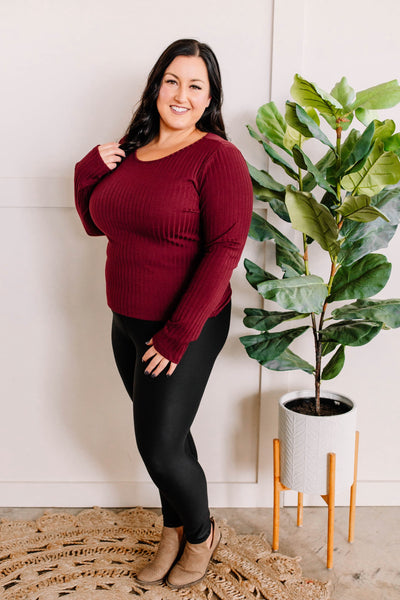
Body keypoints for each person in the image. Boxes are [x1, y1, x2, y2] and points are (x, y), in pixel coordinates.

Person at [74, 38, 253, 590]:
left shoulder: (217, 157)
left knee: (158, 446)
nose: (181, 94)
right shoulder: (133, 150)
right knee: (168, 440)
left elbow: (225, 249)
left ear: (209, 98)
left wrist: (178, 334)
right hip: (126, 321)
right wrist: (87, 171)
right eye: (172, 80)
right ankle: (172, 531)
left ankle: (201, 535)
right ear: (156, 87)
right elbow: (96, 222)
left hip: (185, 327)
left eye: (195, 85)